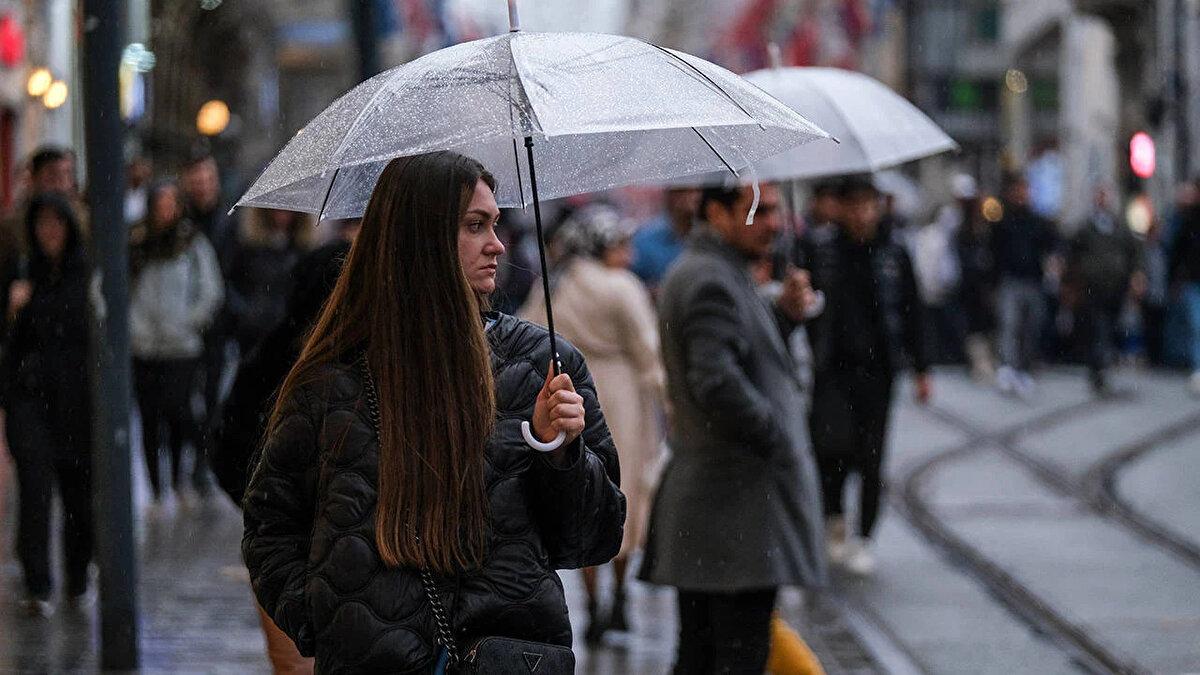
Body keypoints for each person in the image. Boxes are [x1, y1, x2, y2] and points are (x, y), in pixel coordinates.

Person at [242, 151, 625, 672]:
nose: (497, 244)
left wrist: (556, 451)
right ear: (420, 237)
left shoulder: (543, 365)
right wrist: (329, 619)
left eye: (493, 224)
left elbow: (593, 536)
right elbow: (271, 525)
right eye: (475, 226)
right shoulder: (333, 381)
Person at [639, 181, 826, 675]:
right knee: (737, 655)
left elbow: (737, 353)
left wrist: (782, 316)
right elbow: (716, 381)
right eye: (758, 211)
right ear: (717, 214)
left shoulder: (716, 271)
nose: (772, 224)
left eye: (775, 212)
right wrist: (776, 434)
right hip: (734, 511)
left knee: (702, 654)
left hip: (719, 511)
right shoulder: (710, 279)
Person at [521, 204, 664, 643]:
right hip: (620, 397)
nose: (629, 253)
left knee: (585, 491)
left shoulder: (556, 284)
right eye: (620, 243)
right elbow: (648, 353)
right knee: (622, 492)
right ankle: (620, 595)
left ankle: (595, 602)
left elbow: (526, 331)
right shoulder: (621, 287)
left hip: (569, 392)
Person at [803, 175, 930, 576]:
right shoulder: (819, 251)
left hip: (879, 370)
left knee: (873, 457)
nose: (862, 213)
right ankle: (835, 520)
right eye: (854, 205)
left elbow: (913, 310)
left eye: (869, 204)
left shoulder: (895, 252)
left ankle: (864, 536)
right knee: (832, 450)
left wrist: (921, 368)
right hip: (832, 371)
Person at [0, 193, 93, 616]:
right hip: (29, 396)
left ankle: (76, 577)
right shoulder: (22, 273)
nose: (49, 231)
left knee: (77, 493)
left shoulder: (87, 274)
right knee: (36, 488)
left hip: (75, 399)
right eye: (42, 222)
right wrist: (14, 309)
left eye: (57, 221)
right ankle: (38, 582)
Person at [129, 181, 224, 502]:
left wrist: (188, 321)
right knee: (150, 419)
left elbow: (210, 289)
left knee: (180, 413)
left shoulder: (191, 243)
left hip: (181, 348)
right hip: (144, 347)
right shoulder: (137, 243)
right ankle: (158, 486)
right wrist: (134, 326)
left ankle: (183, 479)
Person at [181, 152, 237, 487]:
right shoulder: (183, 220)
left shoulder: (229, 219)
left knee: (213, 392)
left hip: (220, 322)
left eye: (207, 179)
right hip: (187, 321)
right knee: (187, 395)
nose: (203, 186)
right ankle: (199, 451)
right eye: (197, 180)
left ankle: (205, 458)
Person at [1066, 186, 1145, 394]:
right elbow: (1072, 253)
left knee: (1110, 326)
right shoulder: (1086, 228)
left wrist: (1136, 275)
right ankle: (1099, 367)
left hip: (1116, 286)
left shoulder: (1119, 227)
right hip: (1093, 286)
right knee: (1098, 327)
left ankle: (1100, 365)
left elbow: (1134, 251)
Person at [992, 174, 1057, 398]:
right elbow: (996, 251)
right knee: (1010, 325)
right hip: (1011, 280)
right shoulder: (1005, 221)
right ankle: (1009, 367)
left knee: (1031, 326)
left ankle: (1023, 368)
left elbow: (1050, 246)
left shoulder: (1037, 222)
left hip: (1033, 281)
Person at [227, 208, 315, 354]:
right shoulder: (250, 247)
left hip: (289, 331)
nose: (281, 215)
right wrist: (245, 313)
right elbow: (232, 282)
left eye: (288, 210)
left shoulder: (303, 251)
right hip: (252, 331)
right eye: (276, 210)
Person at [957, 189, 996, 382]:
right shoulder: (964, 232)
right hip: (971, 288)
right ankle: (978, 364)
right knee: (974, 327)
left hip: (986, 287)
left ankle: (988, 363)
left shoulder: (989, 230)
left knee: (988, 326)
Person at [630, 186, 700, 294]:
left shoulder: (713, 238)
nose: (690, 198)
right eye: (681, 191)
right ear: (669, 195)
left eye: (696, 191)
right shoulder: (645, 240)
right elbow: (632, 286)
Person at [1169, 178, 1200, 395]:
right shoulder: (1188, 218)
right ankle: (1198, 369)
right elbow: (1177, 250)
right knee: (1196, 325)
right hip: (1193, 280)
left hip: (1192, 278)